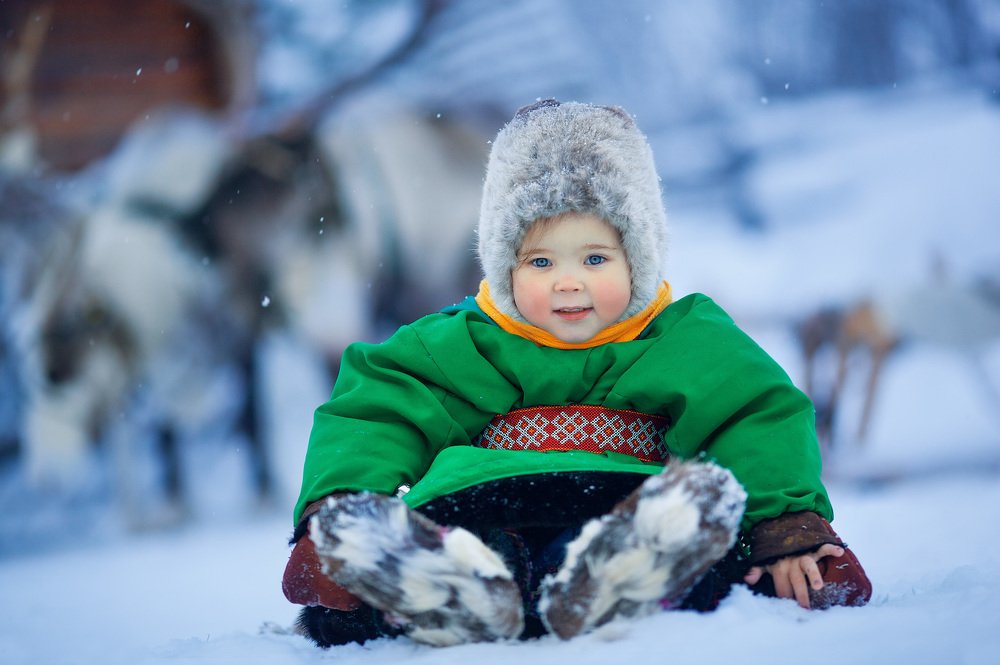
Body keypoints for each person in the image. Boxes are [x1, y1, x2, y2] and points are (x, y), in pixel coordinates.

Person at [282, 99, 872, 648]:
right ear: (502, 265)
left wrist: (785, 530)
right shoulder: (461, 342)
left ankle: (631, 564)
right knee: (466, 546)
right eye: (540, 261)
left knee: (701, 517)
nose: (569, 282)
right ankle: (445, 581)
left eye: (595, 258)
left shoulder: (683, 338)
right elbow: (379, 412)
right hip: (489, 505)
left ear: (638, 257)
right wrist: (343, 507)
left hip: (625, 501)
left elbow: (753, 417)